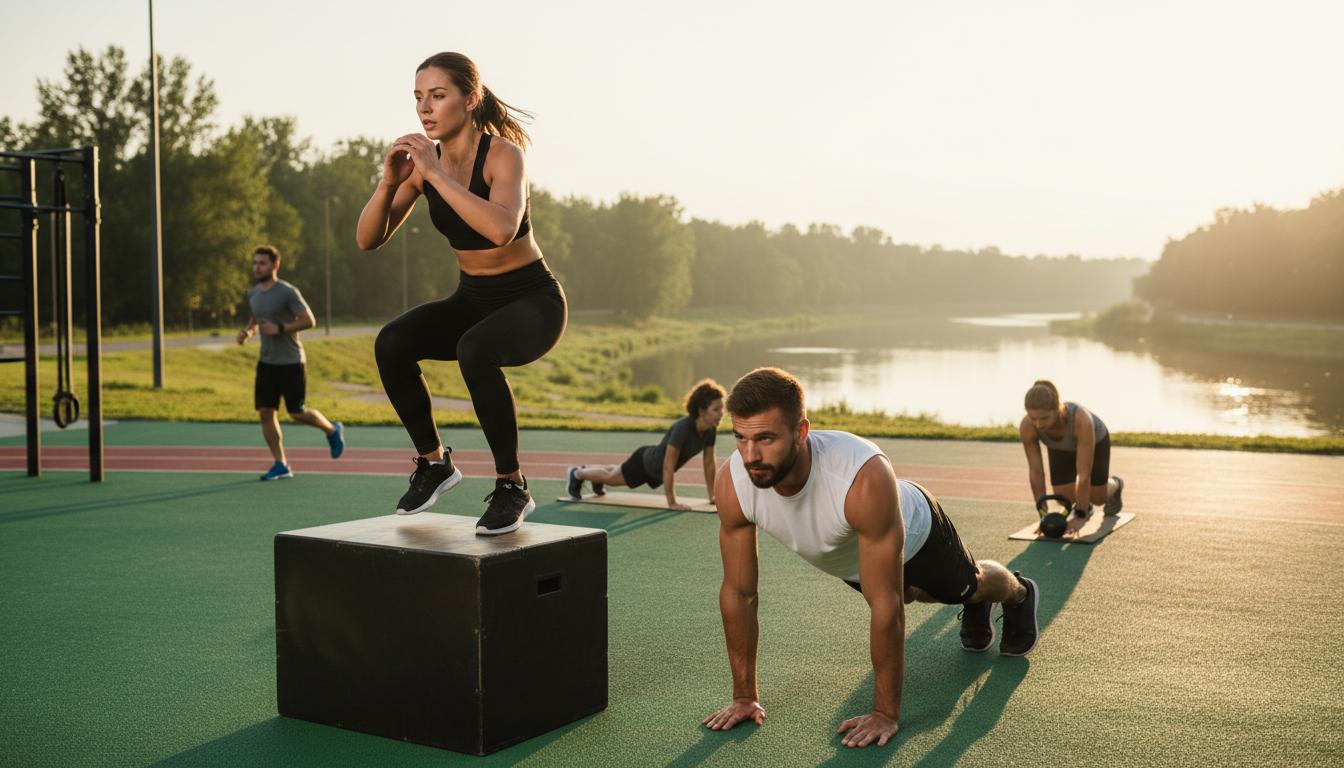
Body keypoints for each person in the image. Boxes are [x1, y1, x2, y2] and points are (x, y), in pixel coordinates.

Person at [703, 368, 1040, 748]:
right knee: (915, 593)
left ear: (801, 432)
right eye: (741, 438)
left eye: (766, 438)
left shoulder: (859, 475)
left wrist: (884, 712)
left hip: (917, 532)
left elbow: (886, 603)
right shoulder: (733, 481)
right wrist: (744, 696)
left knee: (967, 585)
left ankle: (1017, 593)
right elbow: (739, 592)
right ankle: (974, 602)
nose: (751, 455)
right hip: (851, 554)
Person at [356, 52, 565, 535]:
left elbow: (500, 229)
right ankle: (435, 464)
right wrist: (389, 183)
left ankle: (512, 485)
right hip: (473, 298)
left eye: (437, 95)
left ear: (469, 99)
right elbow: (367, 239)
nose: (424, 108)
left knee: (476, 348)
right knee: (392, 342)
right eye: (418, 98)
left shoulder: (503, 156)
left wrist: (433, 175)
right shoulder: (424, 166)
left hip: (532, 302)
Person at [236, 245, 344, 480]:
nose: (257, 267)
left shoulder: (287, 292)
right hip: (266, 362)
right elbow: (255, 318)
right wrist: (247, 332)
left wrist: (281, 328)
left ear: (275, 265)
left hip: (291, 361)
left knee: (296, 412)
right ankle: (281, 464)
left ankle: (331, 429)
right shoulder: (253, 293)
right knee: (266, 412)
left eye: (262, 263)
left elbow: (309, 320)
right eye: (255, 263)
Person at [566, 379, 725, 510]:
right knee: (612, 478)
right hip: (645, 464)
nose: (721, 413)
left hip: (652, 465)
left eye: (721, 408)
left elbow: (709, 463)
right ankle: (577, 474)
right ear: (701, 411)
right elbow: (668, 466)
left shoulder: (710, 430)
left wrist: (712, 496)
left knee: (614, 472)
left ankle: (593, 475)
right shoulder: (682, 429)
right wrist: (672, 503)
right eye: (716, 409)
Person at [1019, 380, 1124, 537]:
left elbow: (1084, 474)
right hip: (1061, 448)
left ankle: (1115, 484)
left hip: (1095, 440)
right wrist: (1042, 513)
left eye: (1044, 418)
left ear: (1057, 409)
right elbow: (1036, 471)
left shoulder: (1081, 420)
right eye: (1033, 418)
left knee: (1097, 497)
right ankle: (1084, 504)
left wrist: (1080, 515)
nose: (1038, 424)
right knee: (1064, 498)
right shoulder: (1027, 426)